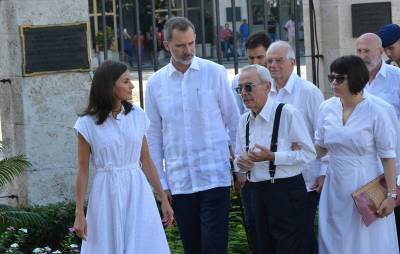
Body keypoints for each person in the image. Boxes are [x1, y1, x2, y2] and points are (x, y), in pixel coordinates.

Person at [145, 17, 240, 254]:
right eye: (180, 45)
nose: (188, 50)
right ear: (166, 44)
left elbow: (234, 121)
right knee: (192, 247)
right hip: (180, 181)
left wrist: (239, 167)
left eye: (191, 43)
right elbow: (153, 136)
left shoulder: (215, 73)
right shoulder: (155, 84)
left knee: (214, 246)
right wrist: (161, 184)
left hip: (214, 176)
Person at [72, 60, 174, 254]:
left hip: (137, 190)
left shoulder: (137, 115)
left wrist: (163, 198)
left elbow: (146, 160)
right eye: (126, 81)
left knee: (143, 245)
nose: (132, 85)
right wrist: (79, 212)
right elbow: (83, 169)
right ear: (110, 85)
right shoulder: (86, 124)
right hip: (105, 193)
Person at [316, 55, 399, 254]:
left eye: (339, 78)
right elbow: (320, 147)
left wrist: (391, 195)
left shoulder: (378, 110)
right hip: (334, 184)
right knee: (333, 237)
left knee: (366, 241)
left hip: (366, 184)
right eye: (332, 78)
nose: (334, 83)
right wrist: (298, 151)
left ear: (354, 78)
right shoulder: (326, 108)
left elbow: (388, 156)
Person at [234, 64, 316, 254]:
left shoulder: (287, 113)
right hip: (256, 192)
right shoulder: (244, 120)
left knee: (291, 247)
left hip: (285, 190)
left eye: (249, 87)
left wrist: (273, 157)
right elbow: (240, 158)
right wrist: (242, 163)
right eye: (240, 89)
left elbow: (309, 153)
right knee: (262, 247)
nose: (243, 93)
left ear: (267, 87)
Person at [266, 40, 324, 254]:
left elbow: (323, 135)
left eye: (278, 60)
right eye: (269, 60)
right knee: (284, 237)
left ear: (292, 62)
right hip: (277, 177)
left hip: (305, 176)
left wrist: (323, 170)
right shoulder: (266, 92)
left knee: (302, 235)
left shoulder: (309, 92)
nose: (273, 65)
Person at [356, 32, 400, 251]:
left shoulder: (397, 77)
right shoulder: (354, 81)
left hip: (395, 166)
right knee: (372, 232)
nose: (363, 56)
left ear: (381, 52)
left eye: (367, 51)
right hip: (366, 170)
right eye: (359, 51)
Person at [231, 31, 272, 254]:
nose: (255, 62)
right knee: (256, 231)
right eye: (250, 59)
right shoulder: (240, 84)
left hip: (281, 178)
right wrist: (240, 168)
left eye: (260, 57)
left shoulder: (288, 91)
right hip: (250, 175)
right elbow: (237, 126)